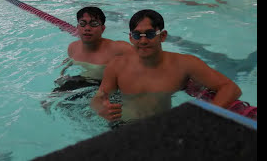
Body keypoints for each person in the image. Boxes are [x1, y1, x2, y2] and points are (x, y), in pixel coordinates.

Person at [90, 9, 241, 128]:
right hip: (122, 127)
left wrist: (206, 116)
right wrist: (100, 109)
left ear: (162, 36)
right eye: (137, 35)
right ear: (130, 38)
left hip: (163, 129)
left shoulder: (185, 63)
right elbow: (100, 96)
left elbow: (231, 88)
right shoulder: (117, 65)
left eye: (149, 34)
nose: (143, 41)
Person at [41, 7, 134, 113]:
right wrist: (62, 76)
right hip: (84, 81)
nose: (87, 28)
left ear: (102, 29)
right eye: (83, 23)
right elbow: (69, 63)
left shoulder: (119, 48)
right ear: (77, 27)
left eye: (93, 24)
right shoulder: (73, 48)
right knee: (47, 102)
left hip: (109, 88)